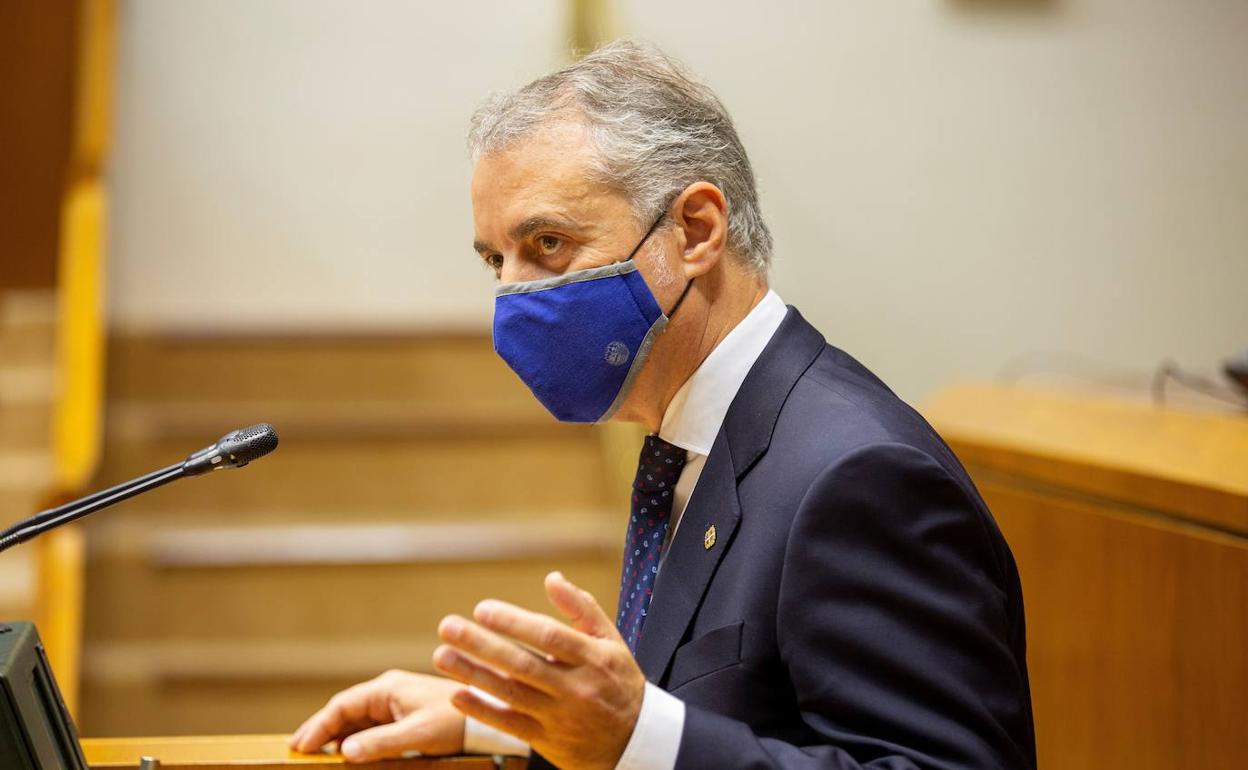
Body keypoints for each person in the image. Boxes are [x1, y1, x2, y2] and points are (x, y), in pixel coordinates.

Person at [290, 40, 1036, 770]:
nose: (512, 297)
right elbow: (725, 717)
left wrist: (636, 742)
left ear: (696, 230)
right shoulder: (691, 443)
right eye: (495, 260)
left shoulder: (860, 474)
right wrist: (517, 727)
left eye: (547, 243)